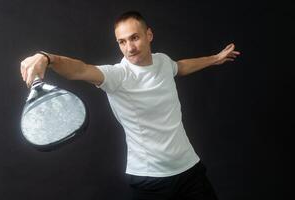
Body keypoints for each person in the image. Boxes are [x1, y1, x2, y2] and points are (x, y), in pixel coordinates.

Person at [20, 11, 240, 200]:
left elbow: (180, 67)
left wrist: (215, 58)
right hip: (150, 180)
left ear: (149, 35)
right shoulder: (118, 76)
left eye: (134, 38)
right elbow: (81, 69)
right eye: (122, 42)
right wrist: (47, 57)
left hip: (190, 169)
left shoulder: (163, 61)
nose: (129, 47)